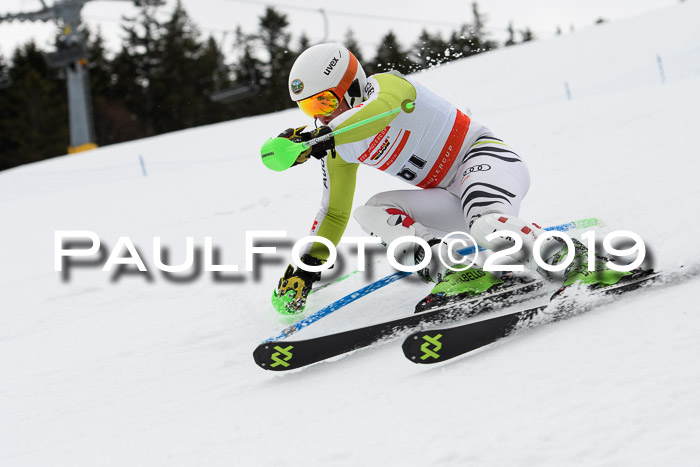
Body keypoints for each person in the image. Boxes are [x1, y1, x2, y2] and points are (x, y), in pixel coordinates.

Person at [270, 42, 630, 315]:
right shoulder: (336, 146)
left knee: (485, 224)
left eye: (324, 103)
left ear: (351, 86)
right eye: (309, 109)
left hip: (486, 160)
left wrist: (317, 139)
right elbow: (333, 214)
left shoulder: (387, 87)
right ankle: (463, 275)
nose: (320, 116)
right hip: (447, 195)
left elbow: (377, 115)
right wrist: (307, 267)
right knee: (372, 211)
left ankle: (583, 263)